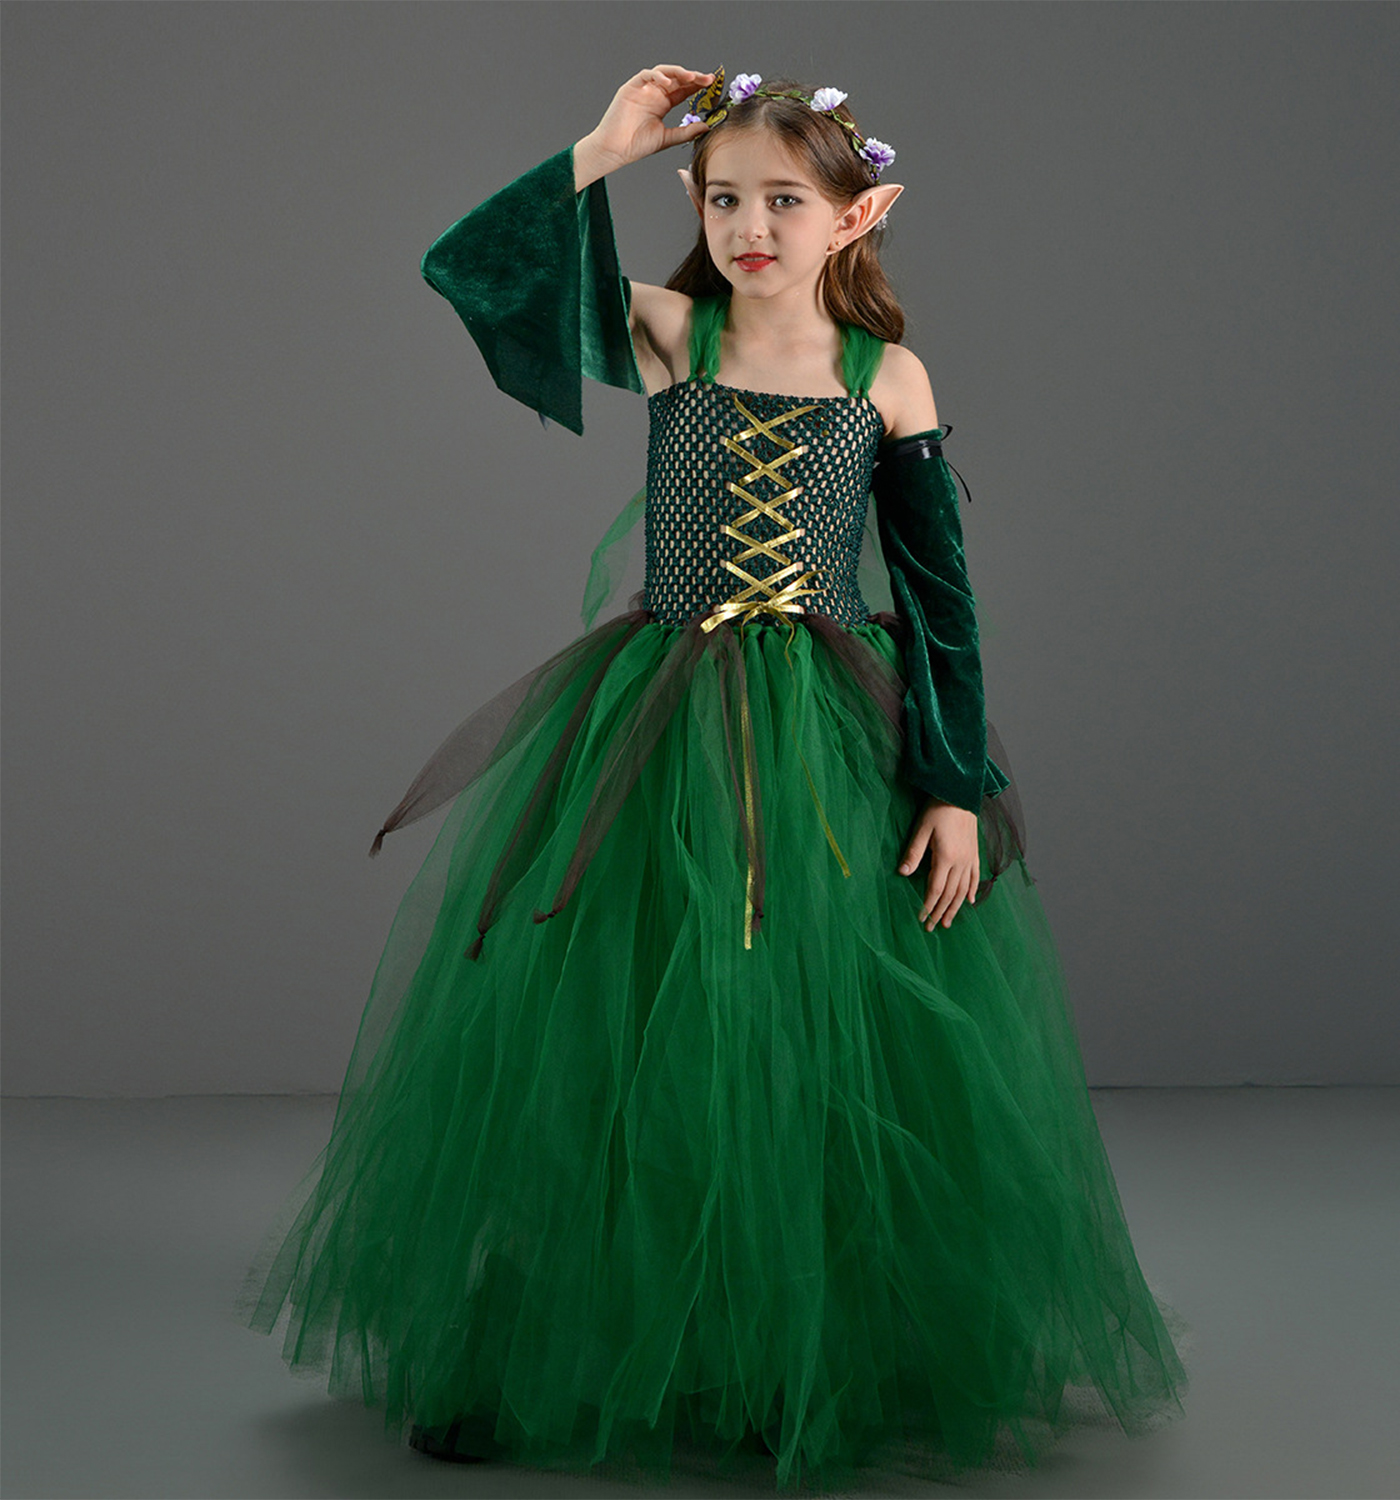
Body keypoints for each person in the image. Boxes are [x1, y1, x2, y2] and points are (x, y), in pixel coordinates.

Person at [234, 63, 1191, 1491]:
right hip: (658, 730)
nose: (749, 227)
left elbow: (940, 603)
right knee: (624, 1036)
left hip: (827, 744)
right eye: (722, 197)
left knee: (800, 1039)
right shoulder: (674, 334)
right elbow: (470, 271)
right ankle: (559, 1343)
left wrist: (951, 787)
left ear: (860, 214)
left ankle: (773, 1349)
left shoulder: (886, 379)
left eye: (784, 201)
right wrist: (600, 148)